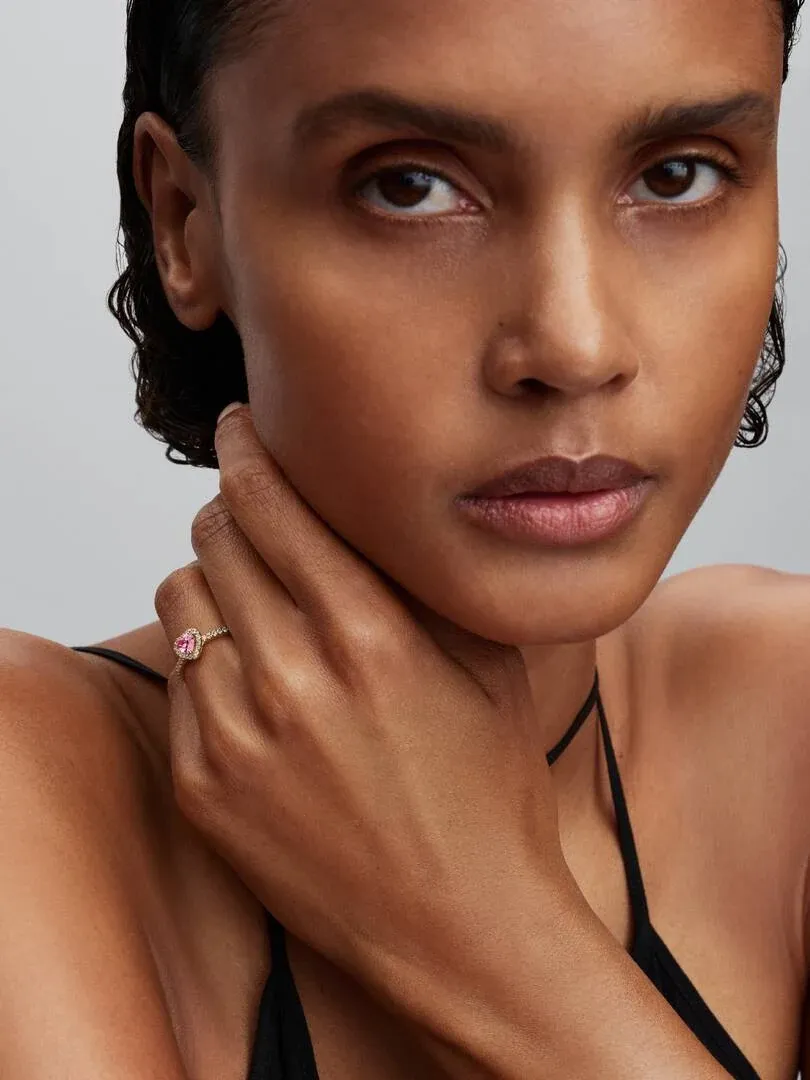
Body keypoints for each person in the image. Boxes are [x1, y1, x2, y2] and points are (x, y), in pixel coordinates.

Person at [1, 0, 808, 1075]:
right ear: (185, 221)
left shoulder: (787, 716)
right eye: (410, 184)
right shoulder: (31, 801)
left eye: (678, 175)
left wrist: (496, 936)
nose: (573, 343)